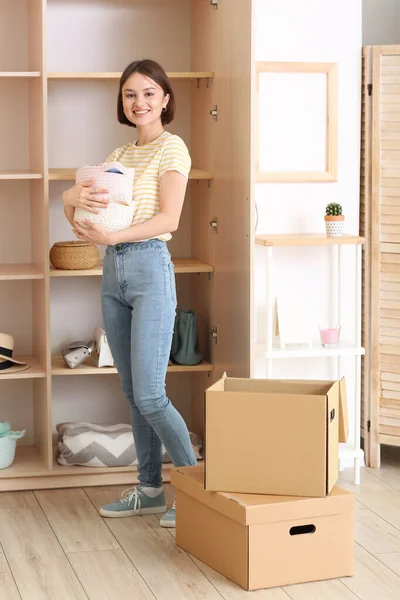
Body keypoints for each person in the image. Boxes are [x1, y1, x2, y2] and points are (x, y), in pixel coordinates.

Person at [62, 59, 197, 528]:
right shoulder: (120, 152)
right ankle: (150, 490)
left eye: (147, 93)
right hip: (113, 270)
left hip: (149, 268)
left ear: (164, 99)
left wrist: (110, 239)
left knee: (152, 394)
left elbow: (169, 220)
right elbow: (85, 216)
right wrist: (69, 203)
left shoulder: (173, 148)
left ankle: (198, 492)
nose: (138, 102)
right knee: (133, 392)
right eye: (129, 95)